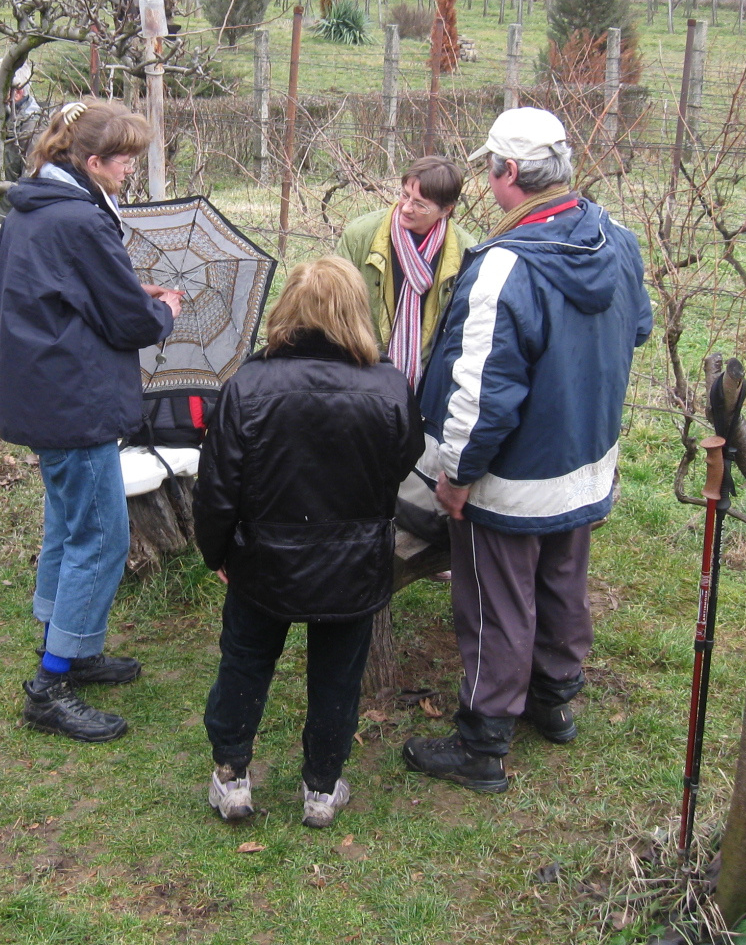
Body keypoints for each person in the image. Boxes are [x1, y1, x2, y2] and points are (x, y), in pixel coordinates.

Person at [402, 107, 652, 793]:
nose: (485, 181)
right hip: (586, 462)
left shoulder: (505, 266)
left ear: (510, 173)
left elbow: (482, 394)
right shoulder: (618, 239)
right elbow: (637, 331)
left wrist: (456, 475)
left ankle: (484, 739)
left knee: (493, 601)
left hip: (511, 478)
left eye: (490, 169)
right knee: (563, 577)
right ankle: (555, 700)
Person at [194, 257, 421, 828]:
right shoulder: (390, 387)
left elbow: (217, 486)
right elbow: (404, 460)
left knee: (245, 663)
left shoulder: (248, 385)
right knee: (338, 676)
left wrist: (217, 553)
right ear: (354, 312)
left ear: (288, 309)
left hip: (264, 563)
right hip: (352, 565)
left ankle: (232, 776)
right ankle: (321, 788)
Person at [0, 100, 182, 743]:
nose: (130, 169)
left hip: (43, 392)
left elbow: (74, 293)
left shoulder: (36, 208)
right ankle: (50, 687)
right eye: (124, 159)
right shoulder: (78, 220)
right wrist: (164, 312)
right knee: (102, 540)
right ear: (93, 162)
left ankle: (73, 646)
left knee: (66, 529)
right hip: (73, 400)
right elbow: (126, 320)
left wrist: (131, 290)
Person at [335, 155, 468, 388]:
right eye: (405, 195)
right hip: (359, 372)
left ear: (446, 209)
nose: (406, 208)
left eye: (420, 204)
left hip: (428, 381)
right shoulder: (360, 235)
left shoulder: (466, 252)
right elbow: (331, 306)